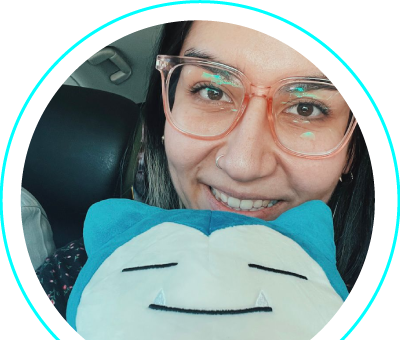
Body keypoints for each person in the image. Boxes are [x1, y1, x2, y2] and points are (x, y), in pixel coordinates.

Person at [35, 20, 374, 321]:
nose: (242, 165)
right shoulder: (80, 274)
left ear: (352, 152)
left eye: (306, 108)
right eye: (212, 92)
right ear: (165, 114)